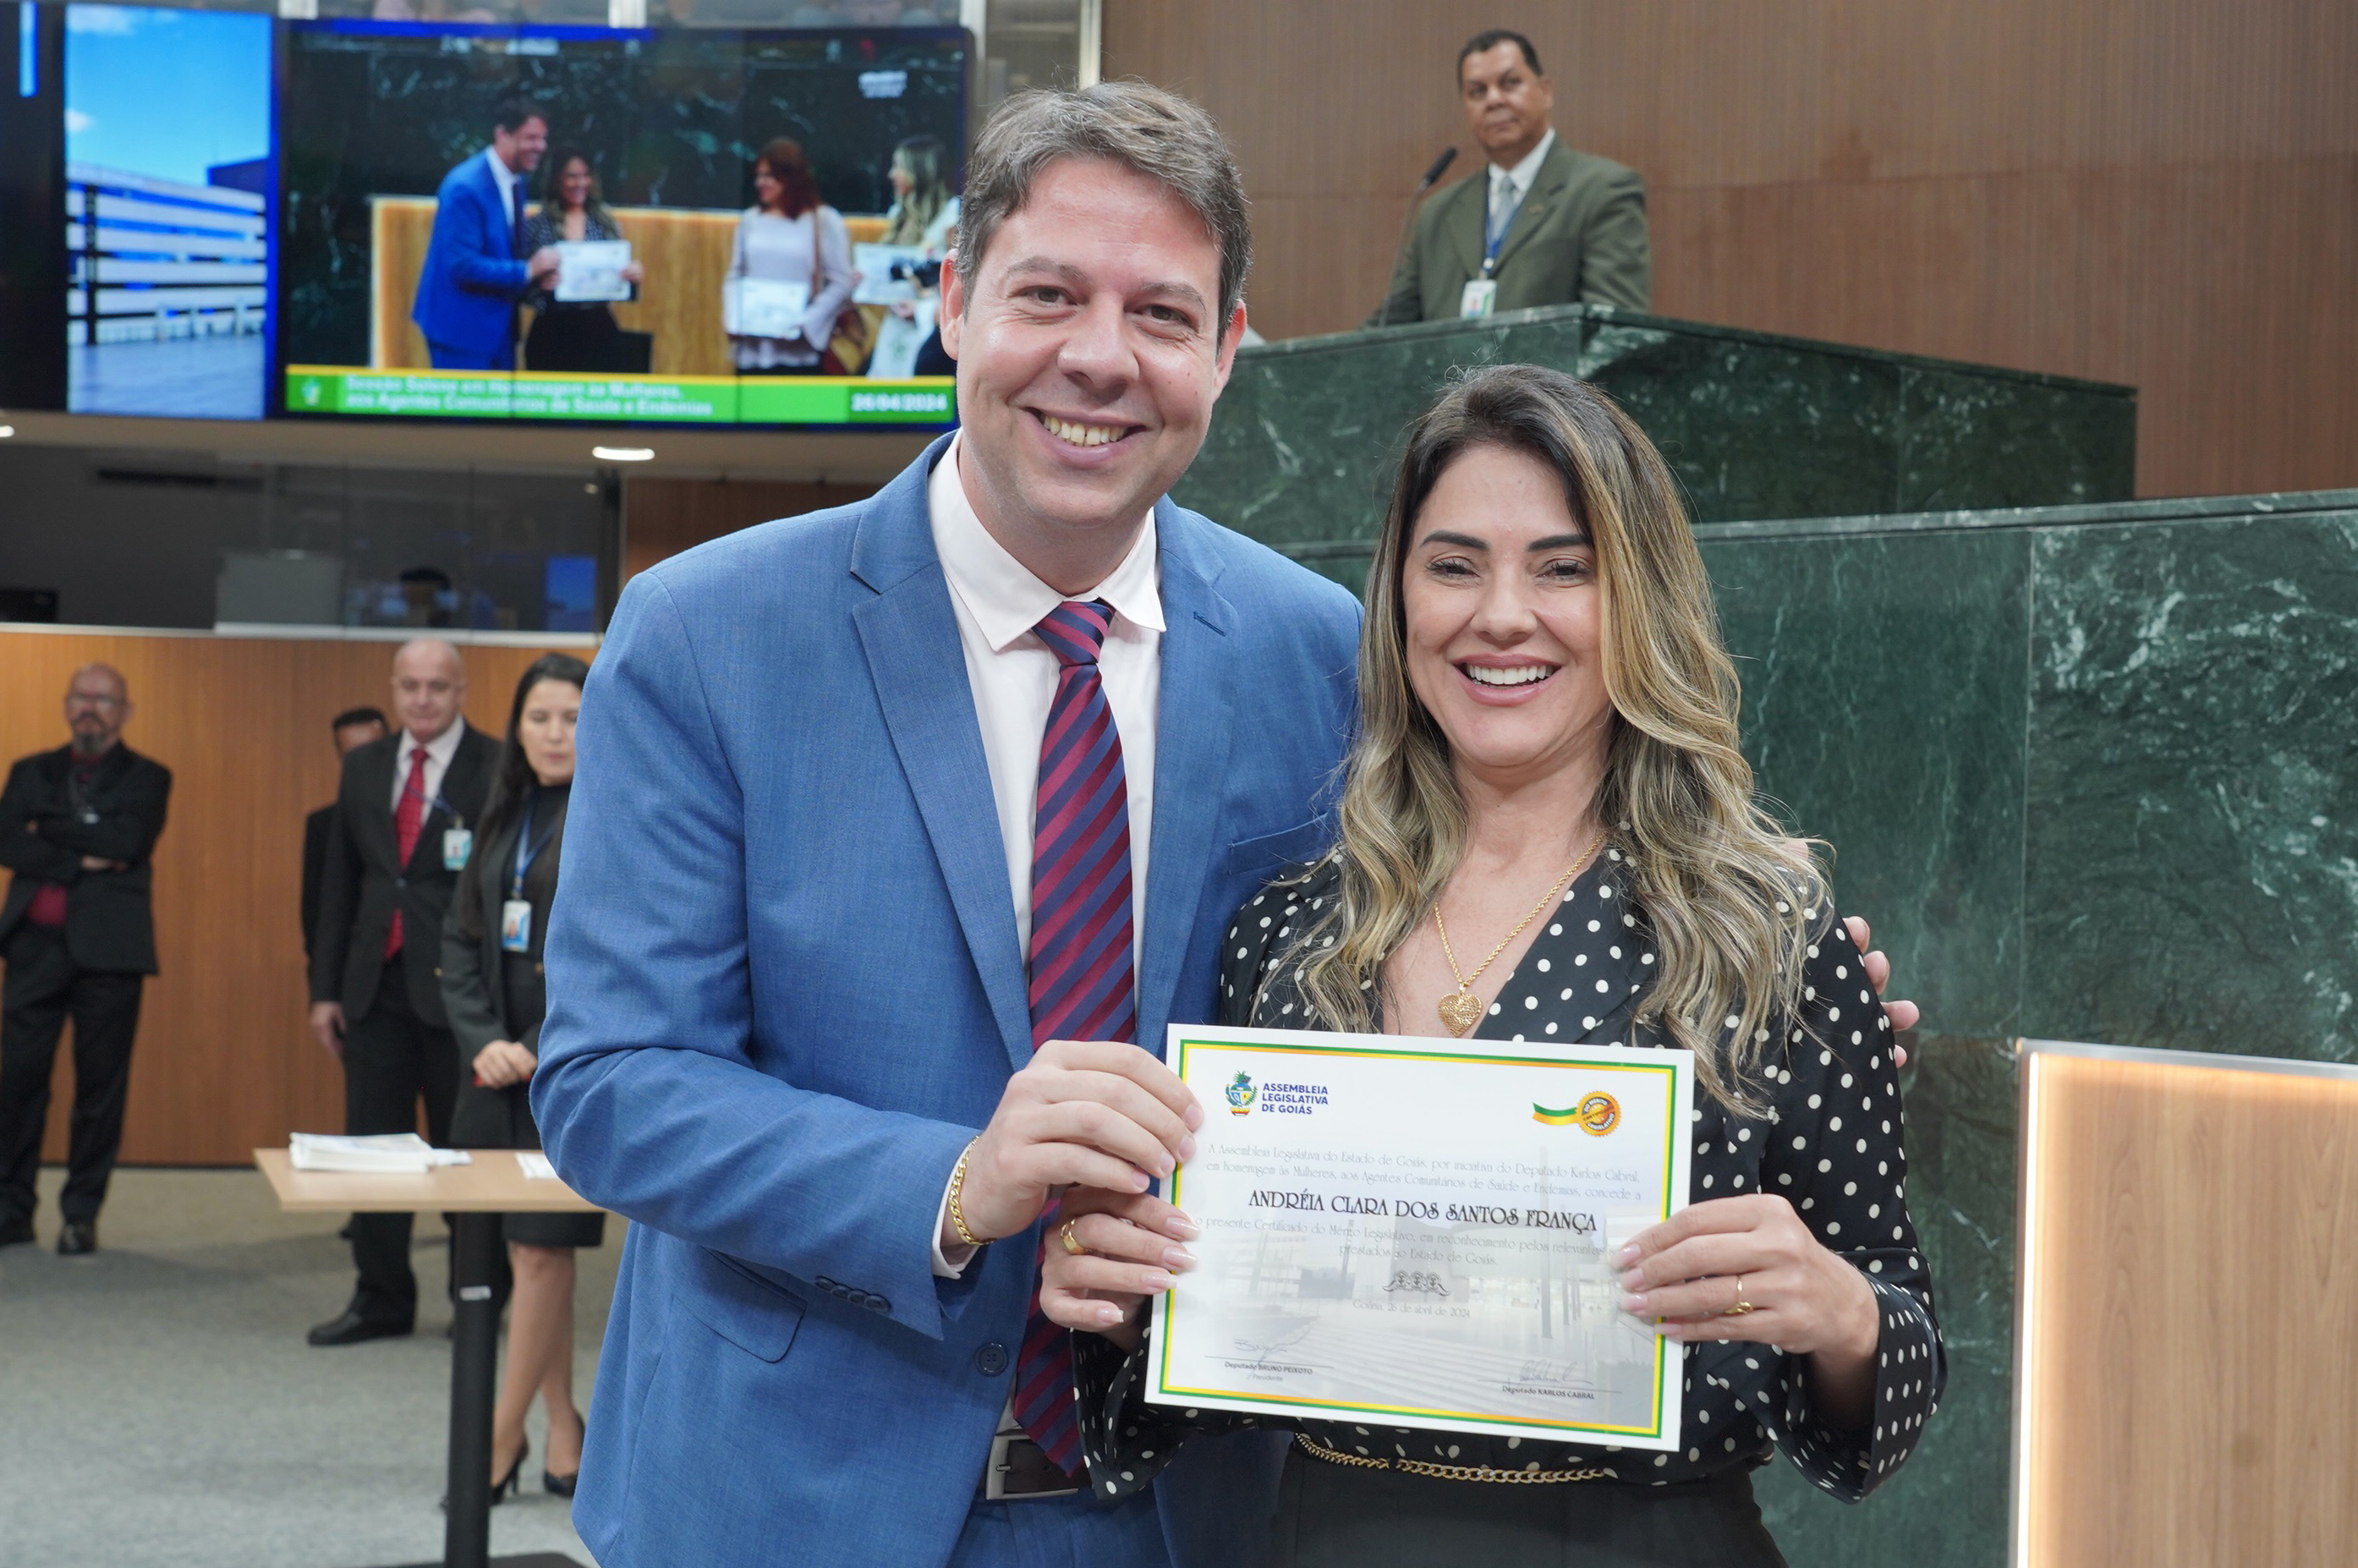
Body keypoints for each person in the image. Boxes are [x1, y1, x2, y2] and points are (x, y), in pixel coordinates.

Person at [531, 84, 1918, 1568]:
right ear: (950, 298)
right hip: (796, 1498)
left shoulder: (1321, 653)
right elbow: (611, 1082)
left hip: (1198, 1510)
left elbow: (1483, 922)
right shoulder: (708, 633)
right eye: (1048, 294)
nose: (1099, 356)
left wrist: (1761, 1001)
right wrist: (954, 1184)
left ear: (1226, 344)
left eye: (1160, 312)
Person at [1040, 365, 1944, 1566]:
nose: (1502, 615)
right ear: (1399, 598)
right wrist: (1123, 1290)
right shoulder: (1289, 931)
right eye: (1454, 565)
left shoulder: (1760, 931)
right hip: (1327, 1535)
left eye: (1563, 568)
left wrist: (1836, 1309)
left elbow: (1900, 1356)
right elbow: (1211, 1337)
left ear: (1639, 598)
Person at [440, 655, 601, 1501]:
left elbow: (609, 955)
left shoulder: (612, 811)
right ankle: (563, 1428)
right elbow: (460, 940)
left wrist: (538, 1043)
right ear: (517, 727)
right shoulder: (502, 810)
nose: (554, 734)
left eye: (572, 717)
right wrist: (484, 1039)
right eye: (539, 717)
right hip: (491, 1074)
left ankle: (494, 1446)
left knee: (541, 1253)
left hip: (561, 1074)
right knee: (526, 1255)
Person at [307, 639, 498, 1346]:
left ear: (461, 691)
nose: (423, 699)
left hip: (460, 994)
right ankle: (380, 1299)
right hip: (374, 986)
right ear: (393, 689)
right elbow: (341, 883)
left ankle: (474, 1294)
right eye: (410, 686)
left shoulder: (495, 764)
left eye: (437, 686)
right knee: (374, 1150)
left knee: (461, 1151)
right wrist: (325, 989)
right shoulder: (364, 765)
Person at [0, 665, 171, 1256]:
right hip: (33, 949)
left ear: (125, 711)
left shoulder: (148, 777)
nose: (89, 708)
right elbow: (5, 838)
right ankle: (11, 1210)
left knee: (99, 1090)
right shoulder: (31, 770)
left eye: (103, 699)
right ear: (66, 705)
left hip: (109, 955)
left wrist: (45, 830)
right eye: (81, 697)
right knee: (17, 1082)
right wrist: (79, 854)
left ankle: (81, 1214)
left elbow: (127, 843)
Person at [1372, 30, 1650, 326]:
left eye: (1510, 83)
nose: (1494, 100)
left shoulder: (1602, 190)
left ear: (1545, 92)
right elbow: (1387, 330)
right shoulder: (1437, 213)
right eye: (1478, 91)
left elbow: (1613, 329)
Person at [411, 96, 563, 372]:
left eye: (543, 139)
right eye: (531, 138)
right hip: (461, 333)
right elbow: (463, 265)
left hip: (499, 330)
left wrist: (537, 277)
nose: (541, 147)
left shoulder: (517, 179)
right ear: (502, 134)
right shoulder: (464, 188)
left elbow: (505, 250)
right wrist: (528, 270)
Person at [724, 137, 855, 376]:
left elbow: (841, 281)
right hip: (752, 350)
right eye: (758, 176)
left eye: (769, 176)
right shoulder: (750, 220)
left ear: (791, 176)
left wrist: (806, 322)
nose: (761, 183)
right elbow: (735, 276)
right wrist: (734, 319)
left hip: (801, 353)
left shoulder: (823, 221)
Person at [521, 150, 644, 373]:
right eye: (572, 176)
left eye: (585, 175)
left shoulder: (605, 224)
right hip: (551, 334)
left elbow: (623, 289)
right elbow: (519, 286)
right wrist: (541, 286)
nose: (580, 183)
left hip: (599, 332)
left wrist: (632, 278)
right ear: (557, 179)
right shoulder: (536, 226)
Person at [869, 133, 961, 379]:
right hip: (895, 325)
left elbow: (961, 282)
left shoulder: (953, 215)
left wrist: (924, 309)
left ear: (918, 172)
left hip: (932, 331)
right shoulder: (897, 214)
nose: (892, 175)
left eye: (898, 167)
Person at [303, 707, 389, 964]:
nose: (366, 764)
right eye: (354, 756)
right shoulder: (323, 826)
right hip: (350, 966)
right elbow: (315, 915)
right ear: (341, 761)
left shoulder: (415, 817)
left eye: (373, 752)